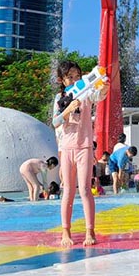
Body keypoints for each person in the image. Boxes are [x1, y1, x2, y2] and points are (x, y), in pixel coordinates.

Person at [52, 59, 109, 248]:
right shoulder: (59, 99)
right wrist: (68, 109)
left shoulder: (86, 94)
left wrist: (104, 87)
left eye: (77, 76)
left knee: (85, 189)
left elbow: (99, 96)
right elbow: (56, 122)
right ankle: (65, 231)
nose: (75, 80)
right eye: (70, 77)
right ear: (62, 80)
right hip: (67, 148)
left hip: (84, 147)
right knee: (67, 190)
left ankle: (89, 231)